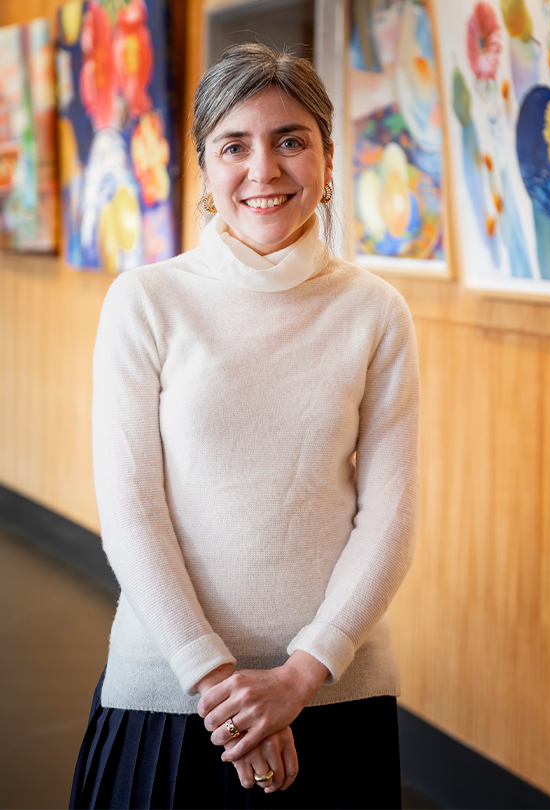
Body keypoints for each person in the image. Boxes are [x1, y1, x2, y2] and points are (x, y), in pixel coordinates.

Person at [69, 43, 420, 810]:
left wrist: (298, 676)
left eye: (291, 140)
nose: (264, 170)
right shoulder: (146, 302)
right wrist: (220, 682)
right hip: (169, 692)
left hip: (333, 691)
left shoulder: (375, 311)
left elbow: (389, 519)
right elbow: (130, 512)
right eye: (235, 145)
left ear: (328, 158)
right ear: (205, 167)